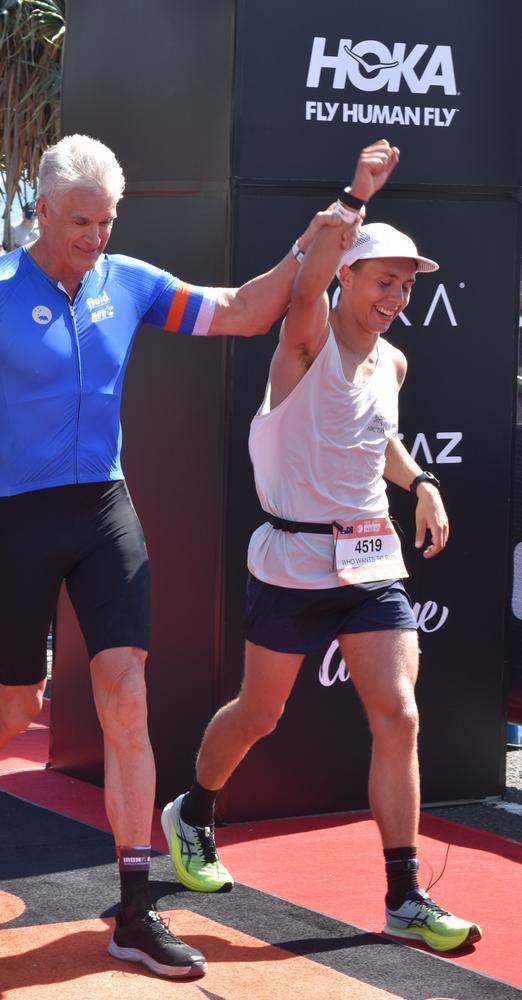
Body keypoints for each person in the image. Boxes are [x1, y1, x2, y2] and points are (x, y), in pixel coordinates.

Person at [0, 133, 354, 982]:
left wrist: (314, 240)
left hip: (104, 509)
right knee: (14, 704)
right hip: (18, 522)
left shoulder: (127, 281)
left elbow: (246, 310)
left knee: (125, 695)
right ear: (43, 211)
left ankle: (135, 908)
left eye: (106, 221)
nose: (94, 238)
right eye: (79, 223)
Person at [162, 140, 482, 956]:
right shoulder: (303, 344)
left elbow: (378, 443)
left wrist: (424, 484)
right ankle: (192, 812)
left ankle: (404, 894)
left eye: (408, 285)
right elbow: (300, 288)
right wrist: (355, 196)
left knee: (400, 717)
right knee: (260, 714)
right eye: (386, 279)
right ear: (348, 277)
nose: (398, 296)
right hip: (293, 560)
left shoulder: (395, 362)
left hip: (372, 559)